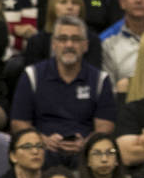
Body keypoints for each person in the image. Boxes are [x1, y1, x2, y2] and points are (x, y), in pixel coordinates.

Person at [10, 14, 117, 168]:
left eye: (75, 39)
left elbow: (105, 127)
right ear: (53, 44)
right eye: (63, 39)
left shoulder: (100, 80)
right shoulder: (32, 75)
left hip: (84, 153)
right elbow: (19, 122)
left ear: (85, 45)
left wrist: (87, 144)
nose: (69, 44)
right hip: (42, 151)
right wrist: (41, 140)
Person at [24, 0, 104, 68]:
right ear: (52, 7)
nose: (70, 7)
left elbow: (93, 77)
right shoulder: (36, 42)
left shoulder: (92, 41)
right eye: (63, 2)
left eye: (74, 3)